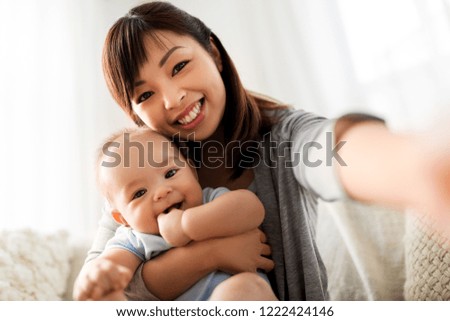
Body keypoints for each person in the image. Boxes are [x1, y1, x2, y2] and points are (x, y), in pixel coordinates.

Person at [77, 1, 450, 301]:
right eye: (145, 95)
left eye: (180, 66)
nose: (173, 100)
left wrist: (416, 166)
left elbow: (330, 151)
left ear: (214, 54)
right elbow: (103, 285)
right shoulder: (137, 175)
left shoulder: (284, 137)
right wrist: (209, 255)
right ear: (134, 113)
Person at [73, 127, 276, 301]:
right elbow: (111, 265)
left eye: (170, 173)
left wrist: (186, 225)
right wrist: (98, 276)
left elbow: (252, 209)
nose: (162, 192)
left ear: (192, 171)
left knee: (243, 288)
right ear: (123, 219)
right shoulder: (136, 239)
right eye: (139, 193)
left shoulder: (211, 202)